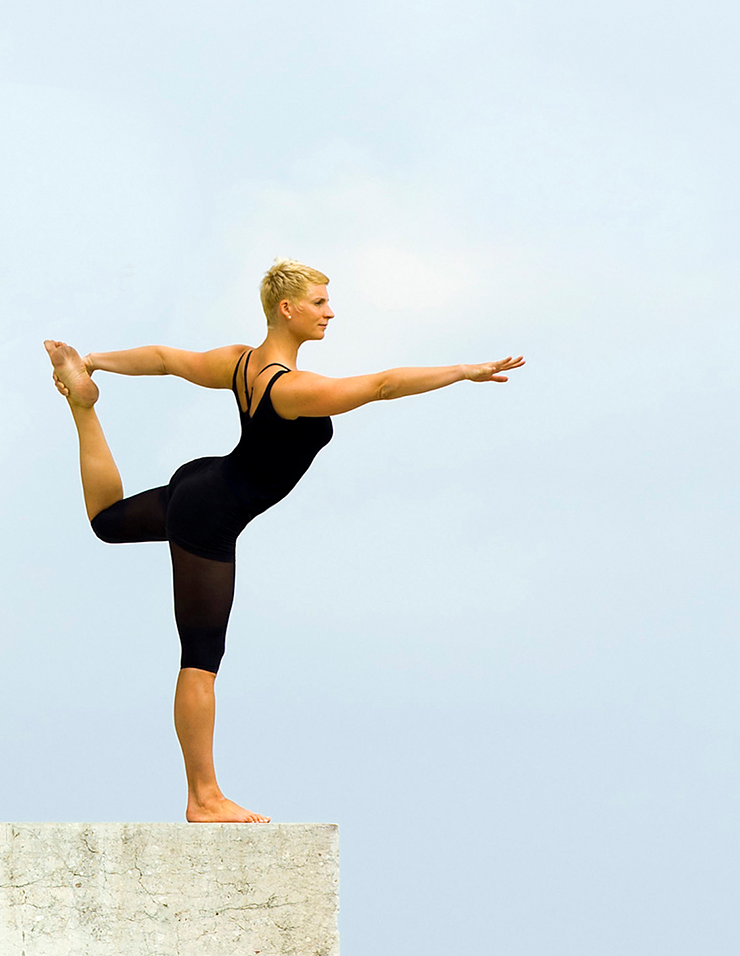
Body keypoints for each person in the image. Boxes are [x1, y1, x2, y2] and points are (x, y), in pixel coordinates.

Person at [45, 259, 523, 823]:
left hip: (200, 485)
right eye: (320, 302)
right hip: (210, 516)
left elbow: (168, 361)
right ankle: (204, 797)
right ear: (287, 309)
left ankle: (82, 403)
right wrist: (464, 370)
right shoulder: (292, 390)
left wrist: (92, 361)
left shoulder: (241, 363)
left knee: (106, 521)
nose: (331, 312)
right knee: (200, 660)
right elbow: (384, 385)